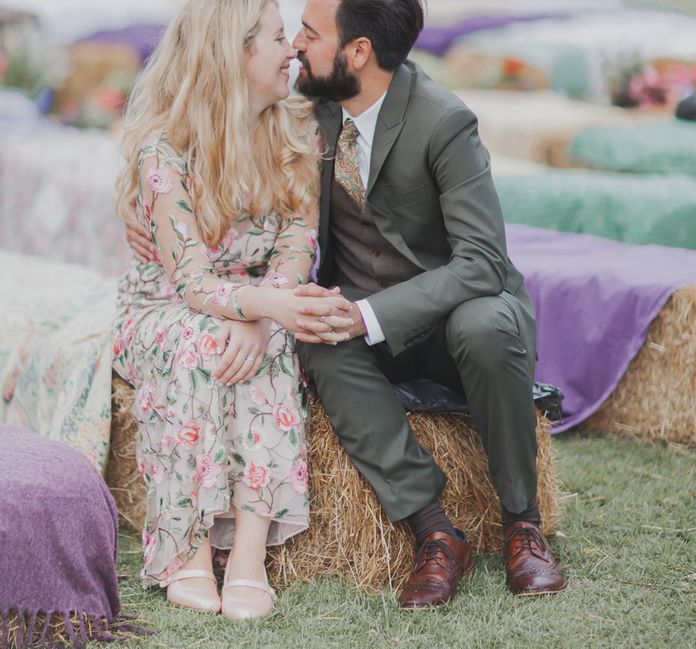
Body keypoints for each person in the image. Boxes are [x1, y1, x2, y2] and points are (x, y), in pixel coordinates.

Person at [128, 0, 566, 609]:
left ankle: (523, 523)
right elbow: (195, 130)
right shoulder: (308, 109)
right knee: (318, 342)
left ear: (357, 53)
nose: (296, 46)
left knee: (486, 321)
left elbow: (484, 262)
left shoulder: (443, 121)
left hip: (453, 319)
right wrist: (138, 208)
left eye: (309, 33)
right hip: (355, 320)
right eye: (290, 34)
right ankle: (434, 530)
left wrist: (362, 314)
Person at [113, 0, 352, 621]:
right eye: (277, 38)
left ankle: (248, 553)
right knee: (201, 344)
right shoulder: (165, 148)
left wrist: (269, 313)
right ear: (236, 54)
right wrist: (267, 306)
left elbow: (300, 239)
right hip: (165, 305)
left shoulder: (298, 127)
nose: (292, 50)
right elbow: (189, 279)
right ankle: (187, 547)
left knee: (269, 344)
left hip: (256, 301)